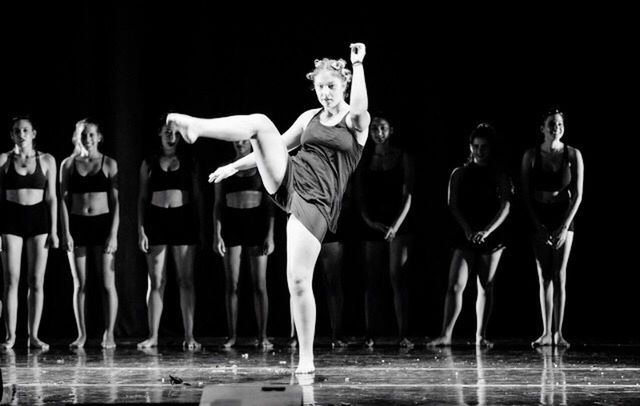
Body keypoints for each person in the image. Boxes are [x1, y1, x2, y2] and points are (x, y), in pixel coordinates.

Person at [171, 43, 369, 373]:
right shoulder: (309, 117)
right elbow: (275, 145)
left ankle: (306, 357)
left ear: (344, 85)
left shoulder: (356, 122)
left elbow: (361, 108)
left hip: (317, 202)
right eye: (319, 87)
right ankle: (197, 127)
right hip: (291, 178)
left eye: (331, 86)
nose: (324, 93)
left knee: (298, 280)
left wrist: (358, 63)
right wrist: (234, 167)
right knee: (262, 124)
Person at [428, 123, 512, 348]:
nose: (480, 151)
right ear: (470, 147)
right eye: (476, 146)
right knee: (455, 284)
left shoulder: (499, 174)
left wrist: (487, 231)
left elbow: (506, 205)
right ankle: (446, 334)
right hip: (465, 233)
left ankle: (480, 335)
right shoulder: (460, 173)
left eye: (484, 147)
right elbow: (452, 204)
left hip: (491, 235)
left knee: (486, 285)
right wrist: (467, 229)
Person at [137, 119, 204, 350]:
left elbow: (196, 196)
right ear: (160, 133)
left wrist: (199, 226)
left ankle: (189, 335)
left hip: (183, 220)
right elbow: (142, 199)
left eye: (175, 133)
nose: (171, 137)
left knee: (186, 280)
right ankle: (153, 336)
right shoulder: (150, 162)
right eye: (167, 132)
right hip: (156, 220)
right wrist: (141, 229)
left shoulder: (188, 161)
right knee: (156, 280)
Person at [521, 108, 583, 348]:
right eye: (551, 124)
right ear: (542, 128)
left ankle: (558, 333)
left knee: (560, 274)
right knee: (543, 275)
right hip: (539, 215)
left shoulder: (573, 154)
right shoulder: (531, 155)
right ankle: (546, 332)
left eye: (559, 124)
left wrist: (564, 226)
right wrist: (538, 223)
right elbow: (525, 194)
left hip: (563, 215)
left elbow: (578, 195)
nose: (555, 127)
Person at [355, 114, 414, 348]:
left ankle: (403, 333)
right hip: (373, 224)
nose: (378, 133)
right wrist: (369, 221)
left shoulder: (403, 157)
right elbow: (359, 195)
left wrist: (395, 226)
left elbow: (408, 194)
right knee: (372, 280)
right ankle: (370, 333)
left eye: (382, 128)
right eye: (373, 129)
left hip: (398, 224)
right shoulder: (364, 158)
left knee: (397, 277)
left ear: (390, 130)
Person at [59, 119, 119, 349]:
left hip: (102, 224)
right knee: (80, 284)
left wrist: (113, 234)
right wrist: (66, 233)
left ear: (99, 137)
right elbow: (63, 201)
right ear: (77, 137)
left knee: (107, 283)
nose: (88, 139)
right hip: (78, 225)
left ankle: (110, 334)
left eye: (92, 135)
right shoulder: (68, 164)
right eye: (84, 135)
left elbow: (116, 203)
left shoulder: (109, 163)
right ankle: (81, 334)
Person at [0, 116, 59, 350]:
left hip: (38, 221)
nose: (21, 134)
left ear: (34, 133)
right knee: (11, 280)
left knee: (36, 280)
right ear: (12, 134)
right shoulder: (4, 159)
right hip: (10, 220)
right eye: (17, 130)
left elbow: (52, 197)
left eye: (25, 130)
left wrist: (54, 231)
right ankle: (11, 336)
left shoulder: (46, 160)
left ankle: (33, 335)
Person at [212, 139, 275, 349]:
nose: (240, 143)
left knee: (260, 285)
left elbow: (269, 204)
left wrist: (270, 235)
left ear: (251, 143)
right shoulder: (226, 167)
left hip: (256, 226)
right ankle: (232, 336)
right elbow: (218, 204)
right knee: (232, 284)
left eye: (243, 140)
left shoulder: (260, 165)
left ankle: (263, 335)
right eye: (236, 140)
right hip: (232, 226)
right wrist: (217, 234)